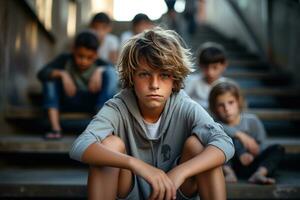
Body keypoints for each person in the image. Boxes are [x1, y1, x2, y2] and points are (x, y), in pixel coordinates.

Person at [70, 27, 234, 200]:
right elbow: (80, 145)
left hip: (176, 191)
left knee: (199, 147)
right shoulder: (118, 106)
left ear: (175, 79)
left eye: (164, 75)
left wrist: (180, 171)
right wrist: (136, 165)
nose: (154, 84)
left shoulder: (184, 105)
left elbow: (225, 142)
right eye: (145, 74)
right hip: (128, 190)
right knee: (110, 145)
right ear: (132, 77)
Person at [37, 31, 118, 139]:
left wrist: (100, 70)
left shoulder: (99, 63)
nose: (84, 61)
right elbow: (41, 73)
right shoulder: (65, 59)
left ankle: (102, 125)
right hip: (68, 100)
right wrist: (62, 74)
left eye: (89, 58)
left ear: (96, 55)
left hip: (92, 104)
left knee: (110, 72)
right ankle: (55, 128)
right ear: (73, 50)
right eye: (80, 56)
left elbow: (116, 71)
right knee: (50, 78)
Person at [208, 80, 285, 184]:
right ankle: (228, 173)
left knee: (277, 149)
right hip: (231, 165)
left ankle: (260, 174)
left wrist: (252, 155)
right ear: (214, 108)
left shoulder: (252, 121)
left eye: (231, 103)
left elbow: (261, 146)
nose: (226, 109)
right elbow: (213, 128)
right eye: (221, 105)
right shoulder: (216, 124)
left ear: (238, 102)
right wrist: (240, 135)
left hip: (253, 163)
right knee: (217, 147)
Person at [185, 42, 227, 109]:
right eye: (206, 67)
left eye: (215, 67)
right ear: (200, 65)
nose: (210, 72)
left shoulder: (226, 85)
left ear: (224, 65)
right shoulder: (192, 81)